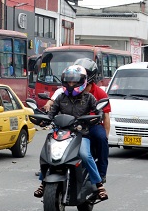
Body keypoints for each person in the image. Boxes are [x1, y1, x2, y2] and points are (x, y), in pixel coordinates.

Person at [34, 65, 107, 201]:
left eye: (74, 82)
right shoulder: (61, 98)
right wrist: (44, 120)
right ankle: (43, 182)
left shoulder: (89, 98)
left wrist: (97, 117)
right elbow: (51, 114)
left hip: (80, 133)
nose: (71, 85)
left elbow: (98, 111)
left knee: (85, 155)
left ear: (82, 82)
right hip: (60, 132)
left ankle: (98, 184)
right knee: (46, 154)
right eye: (68, 82)